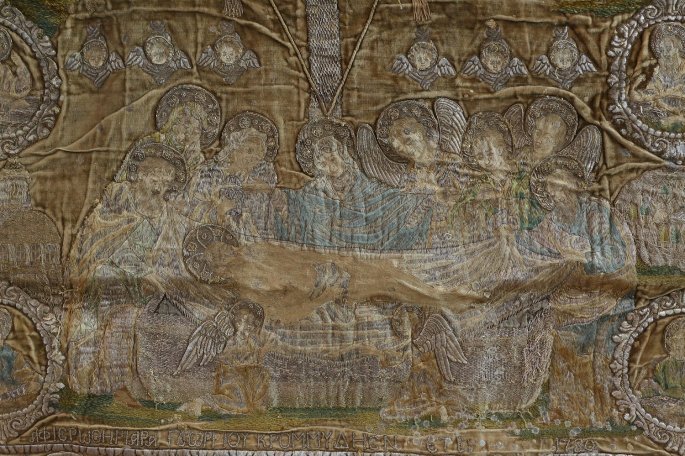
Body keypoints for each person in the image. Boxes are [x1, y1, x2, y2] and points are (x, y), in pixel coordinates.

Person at [276, 119, 432, 251]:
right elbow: (296, 201)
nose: (330, 165)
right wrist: (282, 199)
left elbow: (387, 197)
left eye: (332, 158)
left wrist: (415, 200)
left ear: (343, 153)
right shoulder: (313, 190)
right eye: (323, 163)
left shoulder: (365, 184)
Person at [631, 22, 685, 131]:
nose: (665, 53)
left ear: (678, 48)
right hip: (661, 106)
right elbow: (652, 89)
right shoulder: (659, 67)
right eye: (662, 50)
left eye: (668, 48)